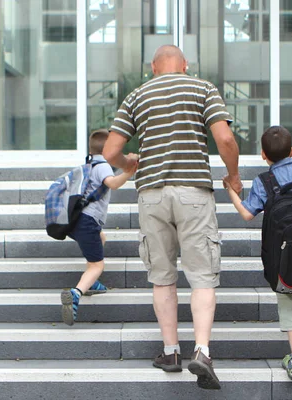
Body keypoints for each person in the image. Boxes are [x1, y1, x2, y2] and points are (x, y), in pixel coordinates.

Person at [103, 45, 242, 390]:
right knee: (202, 276)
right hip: (194, 192)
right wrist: (234, 175)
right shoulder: (203, 88)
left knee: (162, 277)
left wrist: (129, 165)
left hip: (152, 195)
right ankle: (203, 351)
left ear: (152, 68)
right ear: (185, 66)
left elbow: (109, 151)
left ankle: (170, 352)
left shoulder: (137, 96)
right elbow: (224, 137)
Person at [223, 125, 292, 381]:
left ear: (263, 155)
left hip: (284, 256)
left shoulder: (264, 181)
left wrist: (231, 192)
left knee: (291, 296)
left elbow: (248, 213)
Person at [61, 129, 138, 326]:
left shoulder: (89, 163)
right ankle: (75, 293)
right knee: (97, 265)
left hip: (77, 221)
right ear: (107, 150)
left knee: (101, 238)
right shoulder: (103, 165)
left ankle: (92, 282)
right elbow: (112, 183)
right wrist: (128, 172)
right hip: (88, 221)